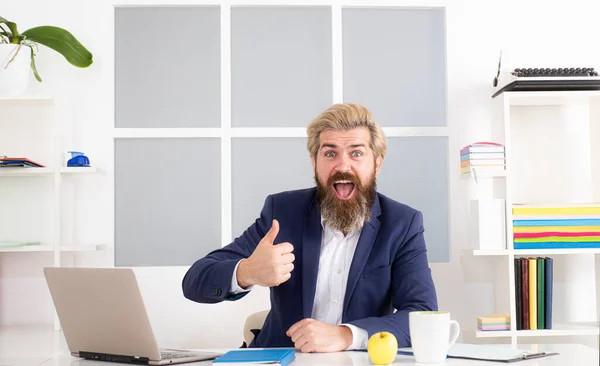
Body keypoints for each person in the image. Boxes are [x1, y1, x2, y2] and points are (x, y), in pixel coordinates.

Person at [182, 103, 438, 353]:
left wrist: (346, 335)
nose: (343, 166)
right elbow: (195, 281)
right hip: (281, 358)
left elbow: (422, 314)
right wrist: (247, 272)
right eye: (330, 153)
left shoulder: (403, 224)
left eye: (356, 153)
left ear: (377, 164)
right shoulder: (282, 212)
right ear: (314, 163)